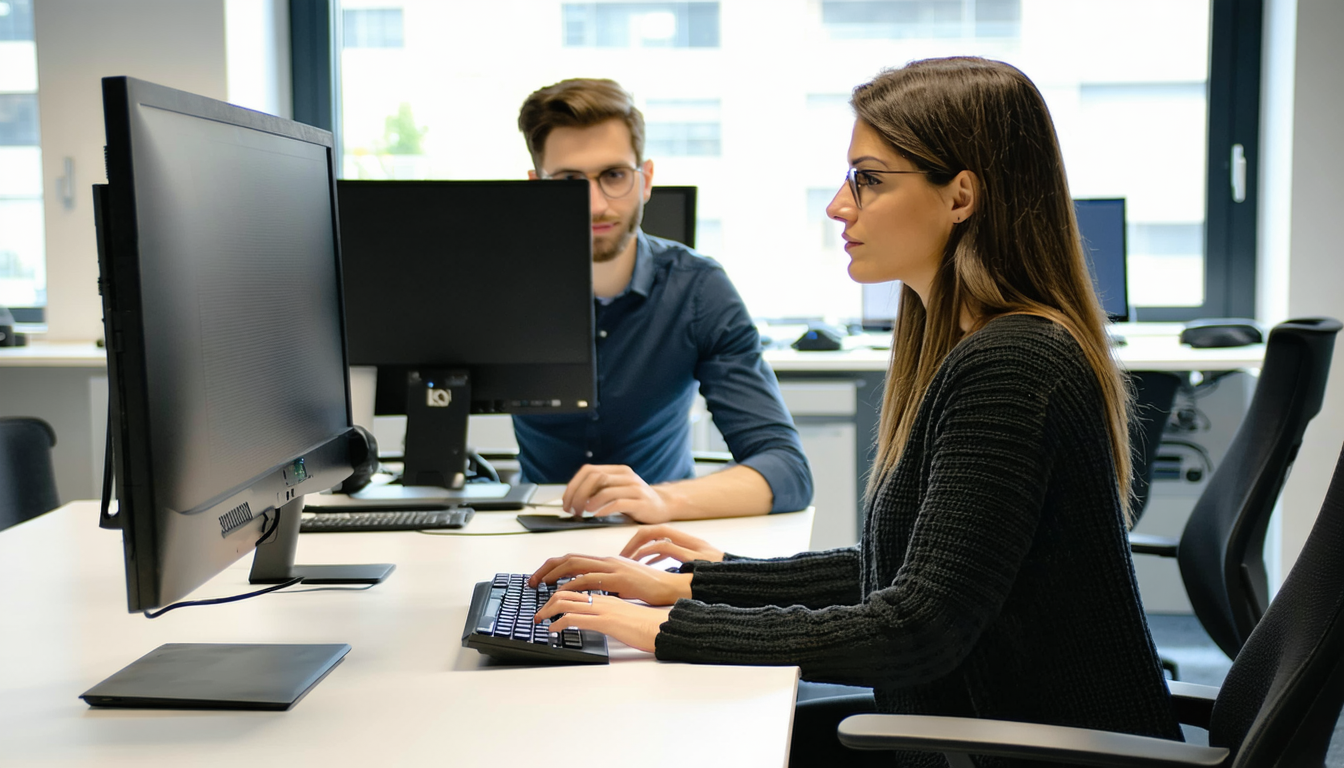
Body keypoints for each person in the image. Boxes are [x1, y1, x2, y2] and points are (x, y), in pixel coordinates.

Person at [526, 58, 1182, 767]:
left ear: (961, 195)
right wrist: (692, 582)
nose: (840, 205)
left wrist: (666, 626)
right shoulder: (966, 345)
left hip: (1032, 751)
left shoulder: (1013, 366)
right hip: (974, 726)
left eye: (868, 179)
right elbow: (902, 572)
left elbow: (913, 630)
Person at [513, 78, 812, 524]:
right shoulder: (504, 288)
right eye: (570, 181)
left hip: (658, 538)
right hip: (528, 535)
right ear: (537, 188)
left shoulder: (698, 289)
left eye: (614, 176)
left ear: (646, 180)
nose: (596, 204)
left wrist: (662, 500)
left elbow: (787, 472)